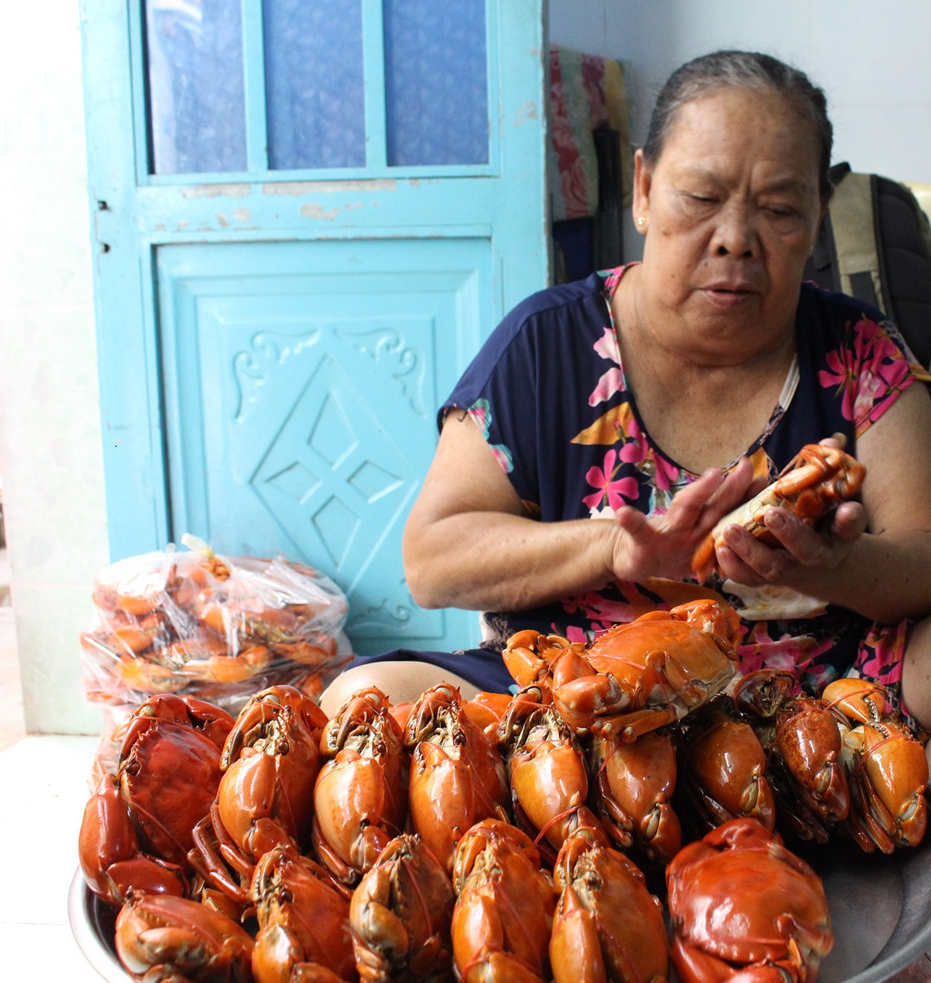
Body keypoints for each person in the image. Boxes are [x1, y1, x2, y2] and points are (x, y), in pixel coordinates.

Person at [319, 50, 931, 749]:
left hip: (819, 695)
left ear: (818, 216)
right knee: (360, 697)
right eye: (701, 198)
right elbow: (432, 561)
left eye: (780, 210)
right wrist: (613, 545)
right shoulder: (546, 343)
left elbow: (924, 555)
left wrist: (836, 567)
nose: (736, 239)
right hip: (570, 698)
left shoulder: (859, 351)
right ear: (643, 189)